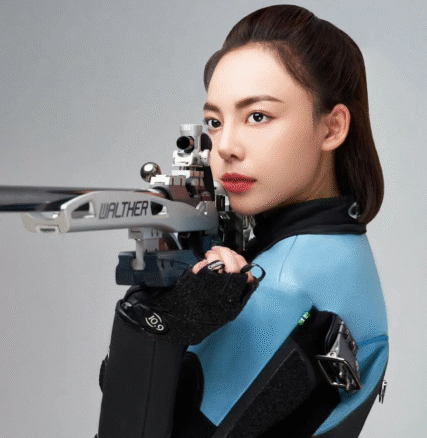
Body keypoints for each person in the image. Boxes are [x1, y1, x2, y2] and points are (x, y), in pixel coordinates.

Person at [155, 4, 387, 437]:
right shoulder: (344, 250)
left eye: (258, 116)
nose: (225, 146)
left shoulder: (280, 284)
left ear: (332, 128)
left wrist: (152, 326)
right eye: (214, 122)